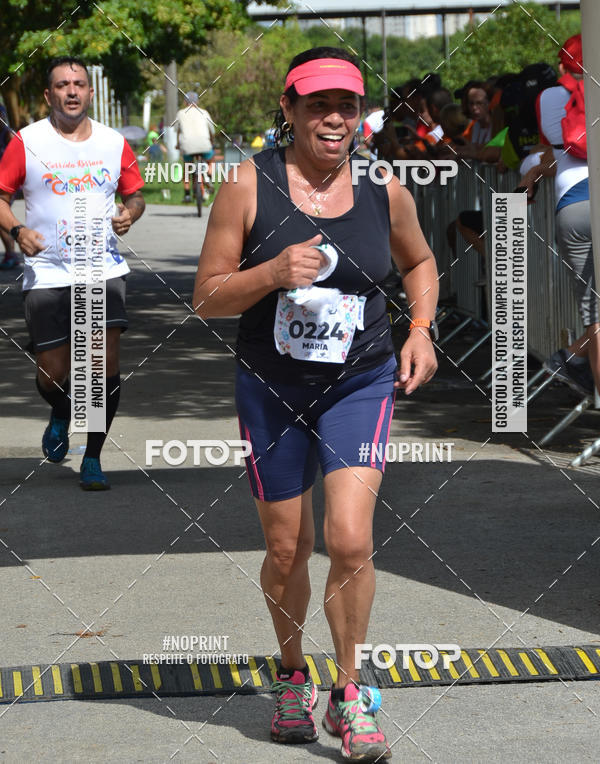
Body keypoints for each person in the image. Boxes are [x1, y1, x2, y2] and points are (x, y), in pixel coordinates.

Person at [193, 47, 438, 761]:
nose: (334, 118)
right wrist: (270, 271)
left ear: (360, 115)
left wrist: (421, 329)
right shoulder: (248, 184)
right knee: (286, 547)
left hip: (359, 382)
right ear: (290, 110)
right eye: (318, 105)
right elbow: (208, 296)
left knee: (351, 539)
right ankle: (293, 674)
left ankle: (350, 691)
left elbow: (420, 261)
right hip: (271, 387)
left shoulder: (383, 188)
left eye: (347, 106)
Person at [0, 56, 145, 489]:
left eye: (79, 83)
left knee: (101, 364)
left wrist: (130, 213)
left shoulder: (113, 142)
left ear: (90, 92)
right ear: (49, 95)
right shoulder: (26, 141)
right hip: (47, 272)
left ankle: (93, 457)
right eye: (63, 85)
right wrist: (18, 231)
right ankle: (62, 411)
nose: (72, 91)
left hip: (102, 269)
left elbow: (135, 195)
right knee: (52, 371)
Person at [519, 34, 597, 394]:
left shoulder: (550, 97)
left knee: (595, 314)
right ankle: (571, 357)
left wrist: (533, 170)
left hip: (572, 204)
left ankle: (575, 359)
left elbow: (553, 149)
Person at [175, 90, 215, 213]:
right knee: (211, 159)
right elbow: (212, 130)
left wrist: (178, 144)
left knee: (187, 167)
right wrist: (212, 141)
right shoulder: (204, 112)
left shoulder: (180, 113)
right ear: (197, 101)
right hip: (204, 145)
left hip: (187, 146)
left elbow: (177, 130)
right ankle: (208, 177)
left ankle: (187, 194)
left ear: (185, 102)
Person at [0, 104, 19, 270]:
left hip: (8, 183)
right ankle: (10, 253)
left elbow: (17, 160)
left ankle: (11, 253)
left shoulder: (9, 134)